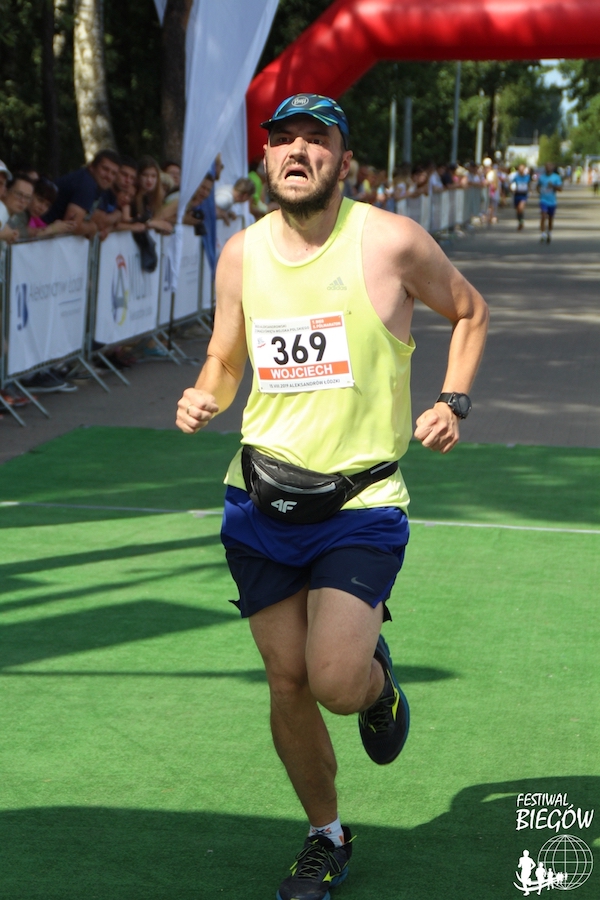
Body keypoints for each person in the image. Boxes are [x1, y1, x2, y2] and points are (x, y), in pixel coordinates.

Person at [176, 93, 488, 900]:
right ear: (266, 157)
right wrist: (205, 392)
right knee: (287, 681)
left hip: (360, 502)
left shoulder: (390, 241)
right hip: (258, 500)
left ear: (343, 158)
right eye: (282, 139)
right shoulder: (242, 254)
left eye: (315, 139)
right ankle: (326, 835)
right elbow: (225, 357)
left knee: (336, 682)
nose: (296, 151)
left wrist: (452, 402)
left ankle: (376, 685)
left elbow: (470, 311)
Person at [43, 149, 120, 238]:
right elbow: (72, 225)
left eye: (113, 173)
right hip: (39, 231)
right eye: (105, 169)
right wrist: (92, 228)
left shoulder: (99, 186)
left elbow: (100, 219)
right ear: (91, 167)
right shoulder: (86, 184)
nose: (108, 176)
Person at [537, 161, 562, 244]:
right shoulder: (542, 177)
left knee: (550, 218)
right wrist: (539, 191)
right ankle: (542, 234)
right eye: (546, 166)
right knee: (543, 215)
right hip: (543, 200)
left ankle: (549, 232)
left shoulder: (556, 177)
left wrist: (553, 186)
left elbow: (560, 189)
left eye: (549, 166)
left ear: (552, 168)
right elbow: (538, 186)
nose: (548, 168)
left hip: (552, 201)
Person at [509, 163, 531, 230]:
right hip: (517, 195)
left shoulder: (527, 177)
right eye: (520, 168)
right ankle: (520, 221)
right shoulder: (516, 177)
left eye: (522, 168)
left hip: (523, 195)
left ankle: (521, 221)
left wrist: (529, 191)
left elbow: (529, 185)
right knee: (518, 210)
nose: (521, 170)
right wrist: (512, 189)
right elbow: (512, 185)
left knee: (521, 208)